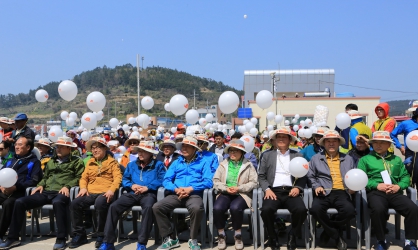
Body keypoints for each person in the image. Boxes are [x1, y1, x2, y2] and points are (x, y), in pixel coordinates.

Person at [0, 136, 85, 250]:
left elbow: (79, 177)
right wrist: (41, 184)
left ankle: (61, 238)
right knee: (20, 202)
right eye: (57, 147)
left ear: (69, 149)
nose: (58, 149)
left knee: (58, 202)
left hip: (61, 191)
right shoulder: (51, 161)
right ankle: (13, 238)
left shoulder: (76, 161)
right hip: (46, 191)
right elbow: (45, 177)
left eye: (61, 147)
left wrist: (67, 186)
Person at [99, 141, 166, 250]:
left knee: (149, 208)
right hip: (132, 193)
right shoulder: (131, 164)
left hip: (148, 193)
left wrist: (148, 187)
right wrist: (132, 185)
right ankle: (108, 242)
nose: (140, 153)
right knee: (113, 207)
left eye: (144, 151)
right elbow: (125, 179)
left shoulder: (158, 165)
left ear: (150, 154)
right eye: (139, 151)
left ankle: (142, 243)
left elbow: (162, 180)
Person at [358, 131, 418, 250]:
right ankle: (381, 240)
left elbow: (405, 176)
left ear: (389, 145)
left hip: (395, 192)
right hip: (376, 193)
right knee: (378, 209)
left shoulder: (396, 160)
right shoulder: (365, 160)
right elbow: (360, 178)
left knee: (413, 208)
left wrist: (399, 186)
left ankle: (409, 241)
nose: (378, 145)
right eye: (375, 143)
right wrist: (376, 185)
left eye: (382, 143)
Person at [153, 136, 213, 250]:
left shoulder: (203, 162)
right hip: (177, 193)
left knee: (196, 208)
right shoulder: (176, 162)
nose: (184, 149)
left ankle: (193, 238)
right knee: (157, 207)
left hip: (194, 194)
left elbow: (208, 182)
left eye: (188, 147)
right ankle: (171, 238)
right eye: (183, 146)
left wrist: (191, 188)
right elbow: (166, 180)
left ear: (195, 149)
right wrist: (176, 189)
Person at [258, 127, 308, 250]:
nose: (281, 139)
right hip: (273, 191)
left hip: (291, 191)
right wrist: (267, 189)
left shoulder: (297, 155)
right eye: (278, 137)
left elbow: (303, 175)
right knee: (266, 210)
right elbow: (261, 176)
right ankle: (272, 236)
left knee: (301, 210)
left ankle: (292, 235)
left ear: (290, 140)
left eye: (284, 137)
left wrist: (298, 187)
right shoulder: (267, 155)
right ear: (274, 140)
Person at [69, 137, 122, 248]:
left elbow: (117, 178)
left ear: (104, 149)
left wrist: (111, 190)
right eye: (93, 148)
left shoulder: (112, 162)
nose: (95, 150)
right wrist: (83, 188)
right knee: (75, 204)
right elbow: (83, 178)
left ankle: (101, 235)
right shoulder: (90, 163)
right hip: (90, 191)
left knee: (100, 203)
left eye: (98, 148)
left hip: (105, 191)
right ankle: (80, 234)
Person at [308, 130, 356, 250]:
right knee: (315, 209)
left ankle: (327, 232)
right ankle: (336, 235)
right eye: (328, 141)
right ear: (323, 144)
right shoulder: (316, 158)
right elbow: (310, 176)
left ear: (339, 143)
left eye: (334, 141)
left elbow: (355, 176)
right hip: (324, 190)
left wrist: (353, 187)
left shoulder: (348, 159)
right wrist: (316, 186)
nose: (331, 144)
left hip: (342, 192)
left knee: (349, 211)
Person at [213, 139, 258, 250]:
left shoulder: (248, 165)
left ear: (242, 152)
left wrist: (239, 188)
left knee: (235, 208)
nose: (232, 153)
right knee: (217, 208)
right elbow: (216, 180)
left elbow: (254, 182)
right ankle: (221, 234)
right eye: (231, 151)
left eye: (235, 151)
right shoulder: (223, 164)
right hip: (225, 192)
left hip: (242, 194)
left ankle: (238, 235)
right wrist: (226, 188)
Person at [0, 137, 42, 241]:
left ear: (28, 147)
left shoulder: (34, 162)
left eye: (20, 144)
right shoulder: (10, 160)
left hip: (20, 192)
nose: (16, 146)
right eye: (16, 144)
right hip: (3, 189)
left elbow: (33, 181)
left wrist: (16, 187)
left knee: (8, 204)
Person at [391, 108, 418, 189]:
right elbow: (392, 134)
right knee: (410, 179)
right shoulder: (406, 124)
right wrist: (400, 147)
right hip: (410, 154)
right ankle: (410, 200)